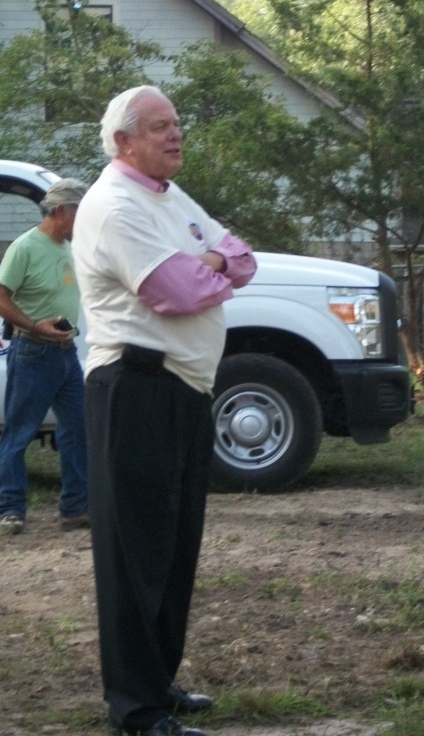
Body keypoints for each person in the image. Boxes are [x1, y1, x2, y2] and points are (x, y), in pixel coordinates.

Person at [72, 85, 256, 736]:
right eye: (159, 127)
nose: (175, 135)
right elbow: (174, 291)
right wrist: (209, 266)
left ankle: (158, 680)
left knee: (175, 548)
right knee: (135, 554)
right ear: (123, 141)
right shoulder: (114, 206)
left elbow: (244, 259)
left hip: (183, 390)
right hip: (137, 387)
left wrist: (209, 261)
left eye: (177, 123)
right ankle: (135, 708)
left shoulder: (170, 198)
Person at [0, 177, 90, 535]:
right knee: (20, 432)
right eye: (81, 213)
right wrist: (34, 325)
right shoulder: (25, 247)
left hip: (66, 354)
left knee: (79, 429)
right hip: (32, 351)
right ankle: (10, 509)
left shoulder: (68, 247)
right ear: (61, 211)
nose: (85, 222)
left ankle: (75, 508)